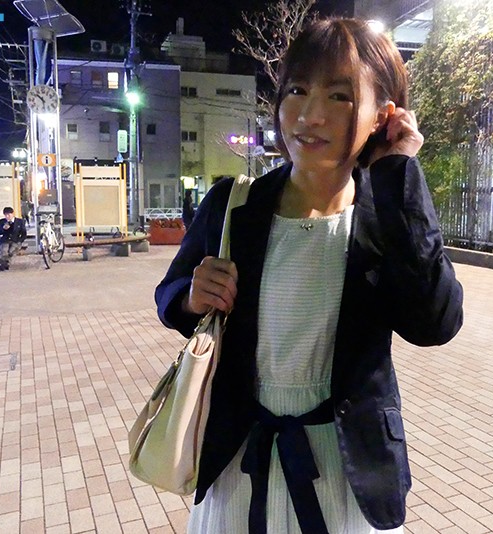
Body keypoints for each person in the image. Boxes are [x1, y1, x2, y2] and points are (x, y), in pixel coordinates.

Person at [155, 18, 464, 534]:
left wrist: (399, 175)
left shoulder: (386, 217)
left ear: (383, 116)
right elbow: (170, 292)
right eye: (297, 90)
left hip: (348, 471)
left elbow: (435, 322)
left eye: (340, 96)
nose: (309, 115)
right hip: (240, 458)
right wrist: (190, 296)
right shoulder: (235, 204)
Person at [0, 206, 26, 271]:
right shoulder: (2, 221)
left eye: (9, 215)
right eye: (6, 215)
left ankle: (3, 263)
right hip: (5, 240)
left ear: (12, 214)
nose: (7, 216)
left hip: (16, 240)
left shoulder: (20, 221)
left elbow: (24, 234)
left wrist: (20, 241)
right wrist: (3, 229)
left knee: (11, 251)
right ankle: (6, 263)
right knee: (4, 251)